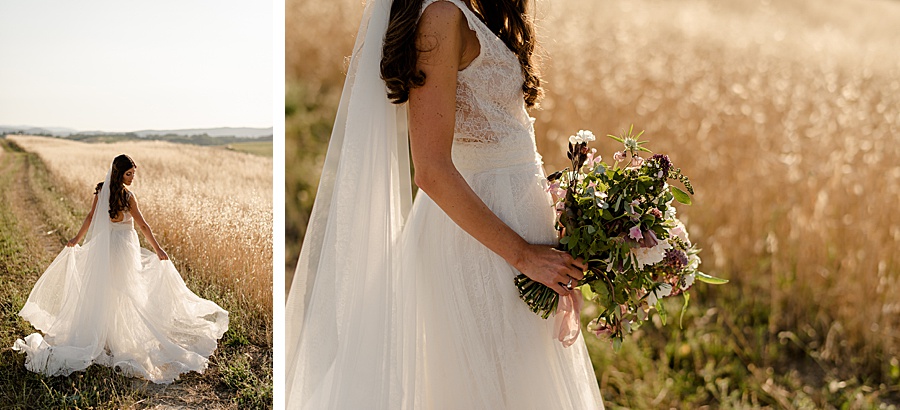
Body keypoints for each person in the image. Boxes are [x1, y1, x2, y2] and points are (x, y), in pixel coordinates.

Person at [286, 0, 604, 408]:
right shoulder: (441, 16)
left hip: (515, 230)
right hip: (484, 247)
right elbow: (431, 170)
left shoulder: (475, 13)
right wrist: (524, 254)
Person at [13, 154, 229, 384]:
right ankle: (118, 339)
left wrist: (76, 239)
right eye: (129, 174)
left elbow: (90, 218)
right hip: (124, 248)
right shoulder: (127, 197)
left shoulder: (102, 191)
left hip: (106, 248)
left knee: (107, 289)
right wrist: (158, 250)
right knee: (127, 291)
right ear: (119, 173)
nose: (132, 177)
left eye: (134, 173)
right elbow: (143, 225)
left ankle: (106, 337)